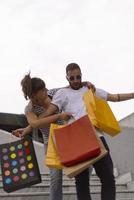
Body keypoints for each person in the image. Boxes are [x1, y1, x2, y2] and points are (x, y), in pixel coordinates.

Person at [37, 63, 134, 200]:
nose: (76, 80)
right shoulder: (62, 93)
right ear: (67, 78)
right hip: (76, 140)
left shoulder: (90, 89)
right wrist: (30, 126)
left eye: (78, 77)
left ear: (81, 75)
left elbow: (114, 97)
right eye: (72, 78)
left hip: (96, 136)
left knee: (108, 178)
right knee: (81, 183)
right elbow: (48, 112)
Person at [12, 72, 95, 200]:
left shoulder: (53, 93)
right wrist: (58, 116)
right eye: (43, 89)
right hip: (51, 143)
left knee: (87, 167)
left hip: (69, 138)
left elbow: (69, 87)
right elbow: (35, 122)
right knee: (56, 178)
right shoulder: (30, 109)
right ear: (34, 96)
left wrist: (84, 83)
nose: (46, 89)